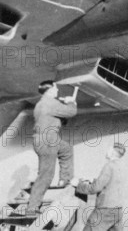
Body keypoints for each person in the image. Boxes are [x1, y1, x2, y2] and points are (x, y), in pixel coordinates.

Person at [26, 81, 78, 215]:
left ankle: (64, 179)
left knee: (66, 149)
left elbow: (59, 118)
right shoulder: (50, 102)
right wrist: (71, 102)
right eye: (55, 88)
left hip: (46, 138)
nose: (57, 91)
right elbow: (71, 112)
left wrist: (64, 108)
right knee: (46, 175)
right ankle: (32, 208)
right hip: (47, 140)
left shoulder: (41, 104)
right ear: (49, 90)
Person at [76, 143, 126, 231]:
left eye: (109, 149)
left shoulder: (109, 166)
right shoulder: (120, 166)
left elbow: (95, 188)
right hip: (117, 210)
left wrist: (78, 185)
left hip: (105, 210)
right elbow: (111, 182)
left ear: (112, 152)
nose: (107, 151)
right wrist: (94, 180)